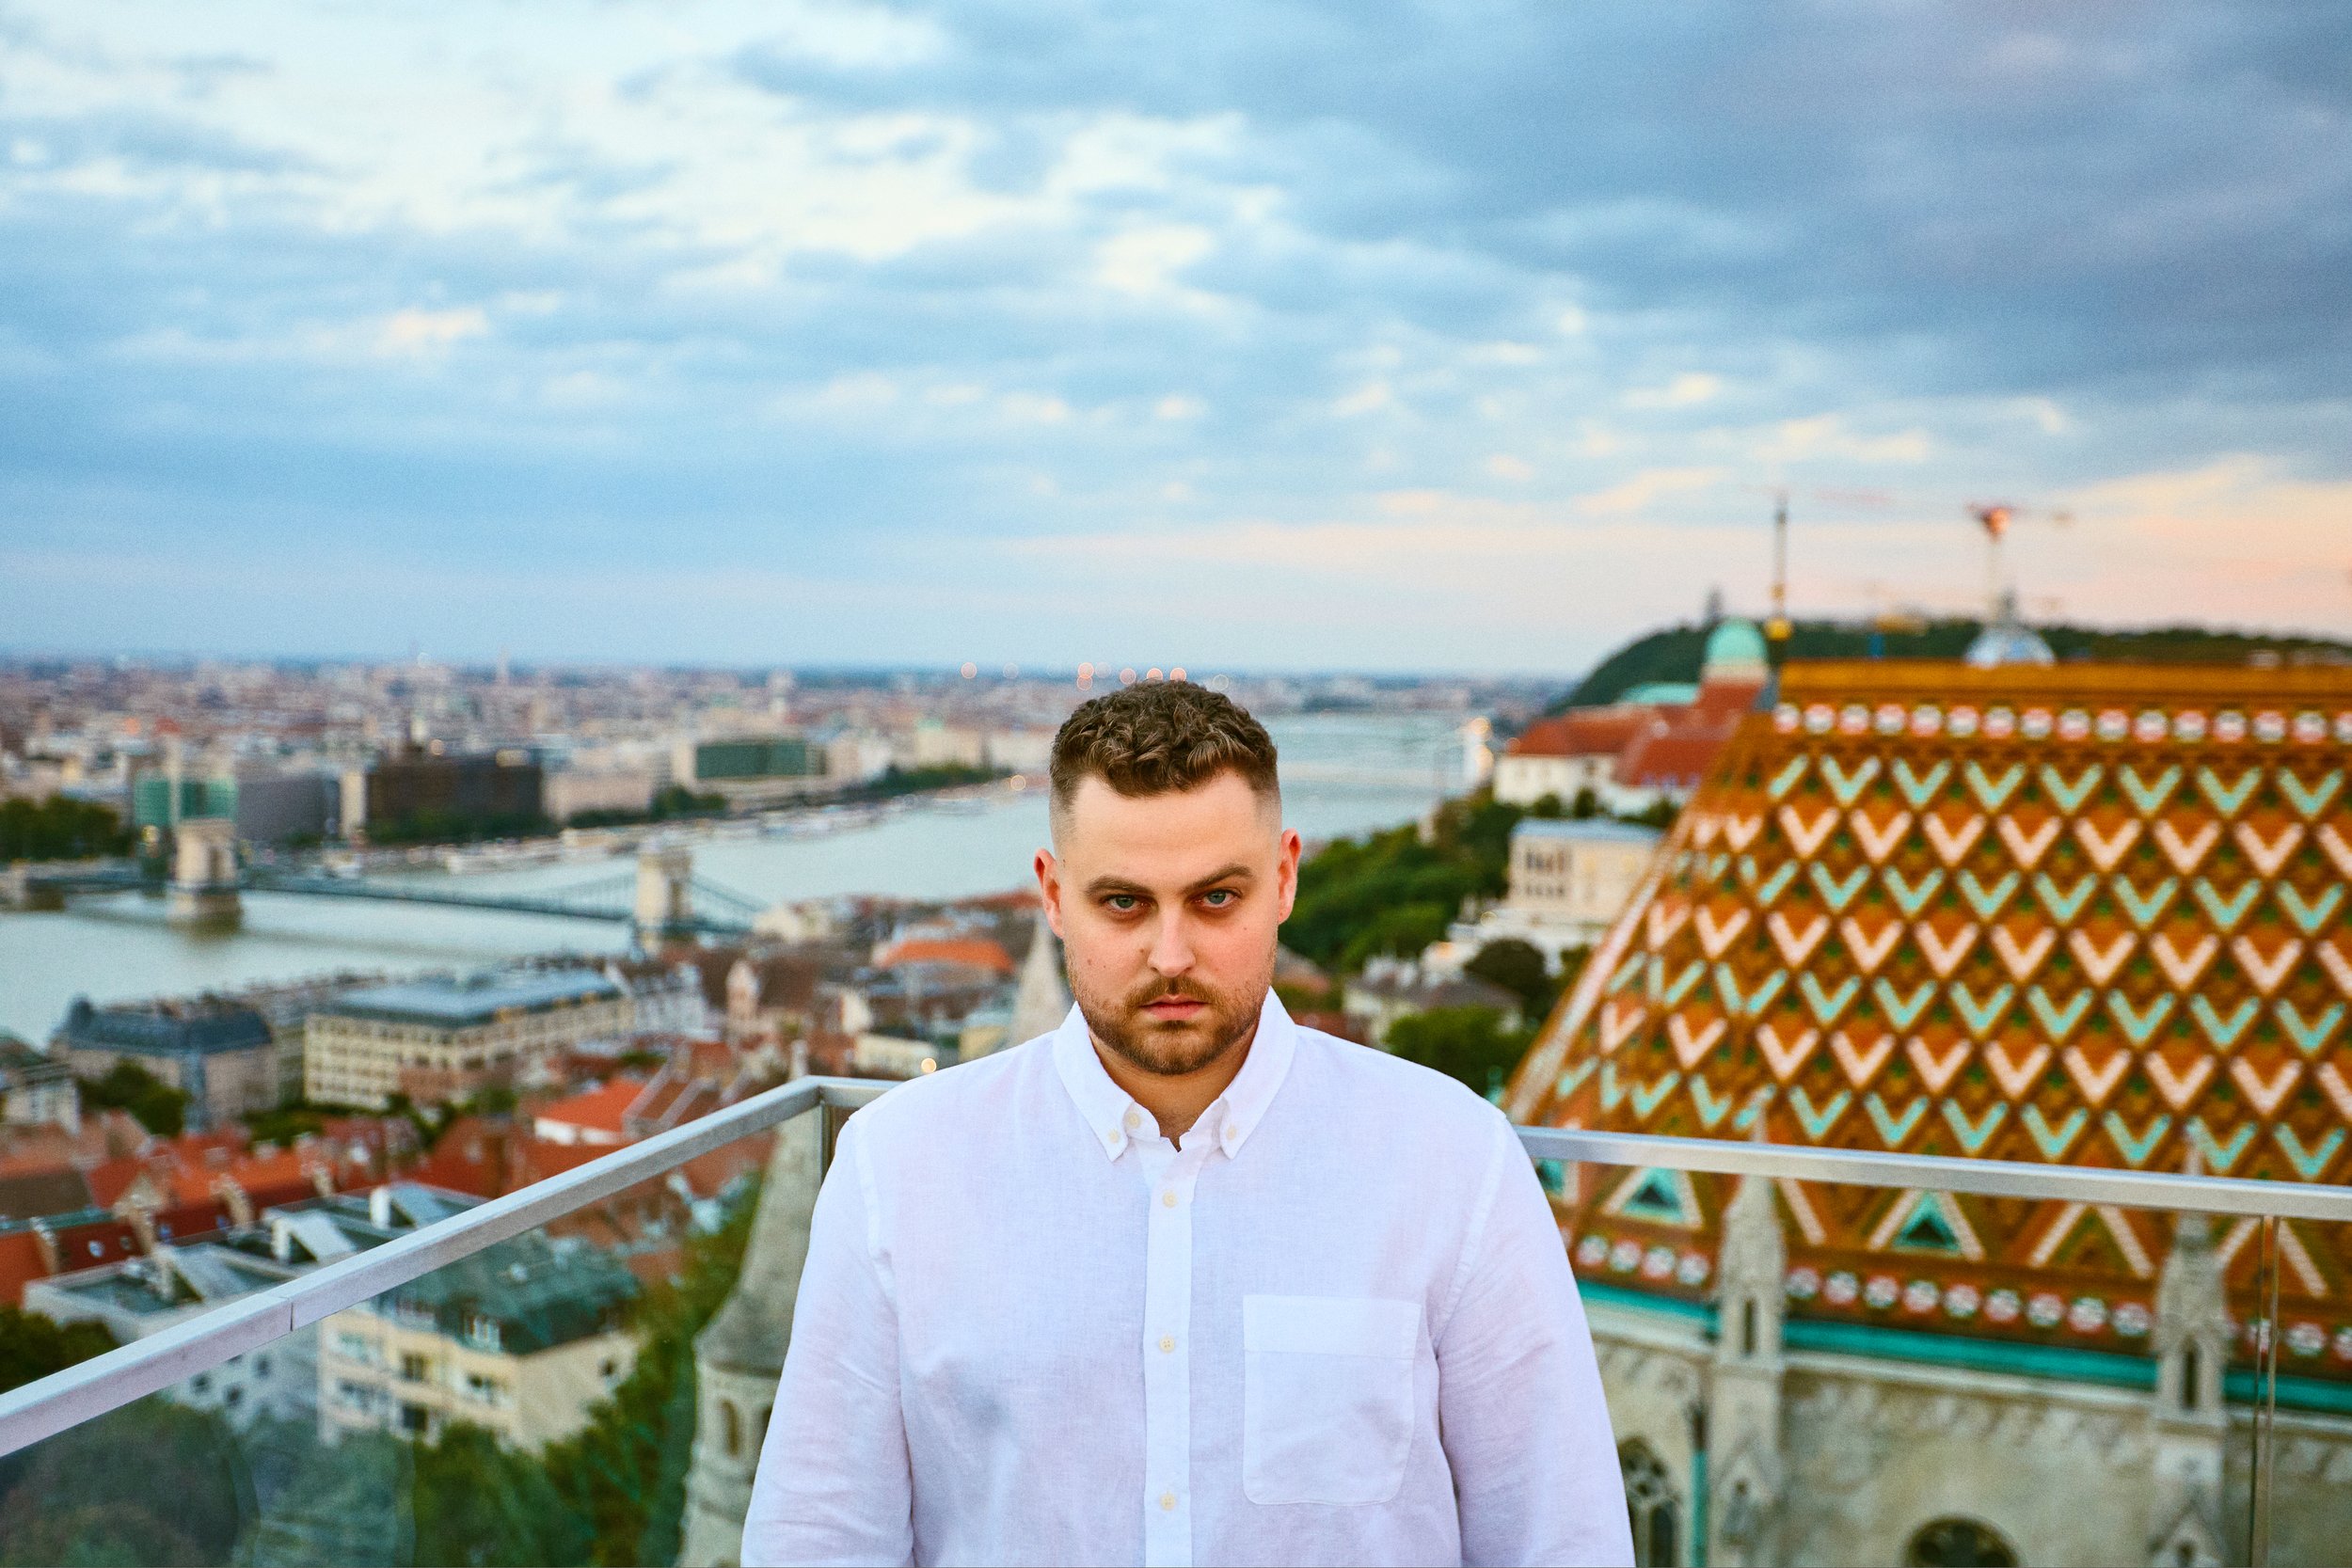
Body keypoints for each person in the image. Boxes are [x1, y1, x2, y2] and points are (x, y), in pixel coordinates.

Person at [743, 681, 1630, 1567]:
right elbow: (817, 1539)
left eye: (1214, 899)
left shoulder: (1454, 1164)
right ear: (1053, 897)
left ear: (1284, 877)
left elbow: (1561, 1535)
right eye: (1124, 902)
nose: (1171, 955)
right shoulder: (897, 1169)